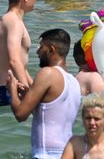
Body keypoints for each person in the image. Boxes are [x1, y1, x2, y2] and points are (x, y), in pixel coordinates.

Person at [8, 28, 81, 159]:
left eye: (41, 47)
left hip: (46, 155)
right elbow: (50, 115)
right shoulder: (74, 81)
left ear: (51, 49)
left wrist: (12, 89)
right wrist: (28, 97)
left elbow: (20, 115)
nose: (37, 52)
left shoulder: (47, 73)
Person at [0, 0, 39, 107]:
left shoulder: (6, 20)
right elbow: (14, 60)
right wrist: (28, 94)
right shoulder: (13, 22)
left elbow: (20, 65)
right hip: (8, 93)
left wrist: (35, 91)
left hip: (1, 91)